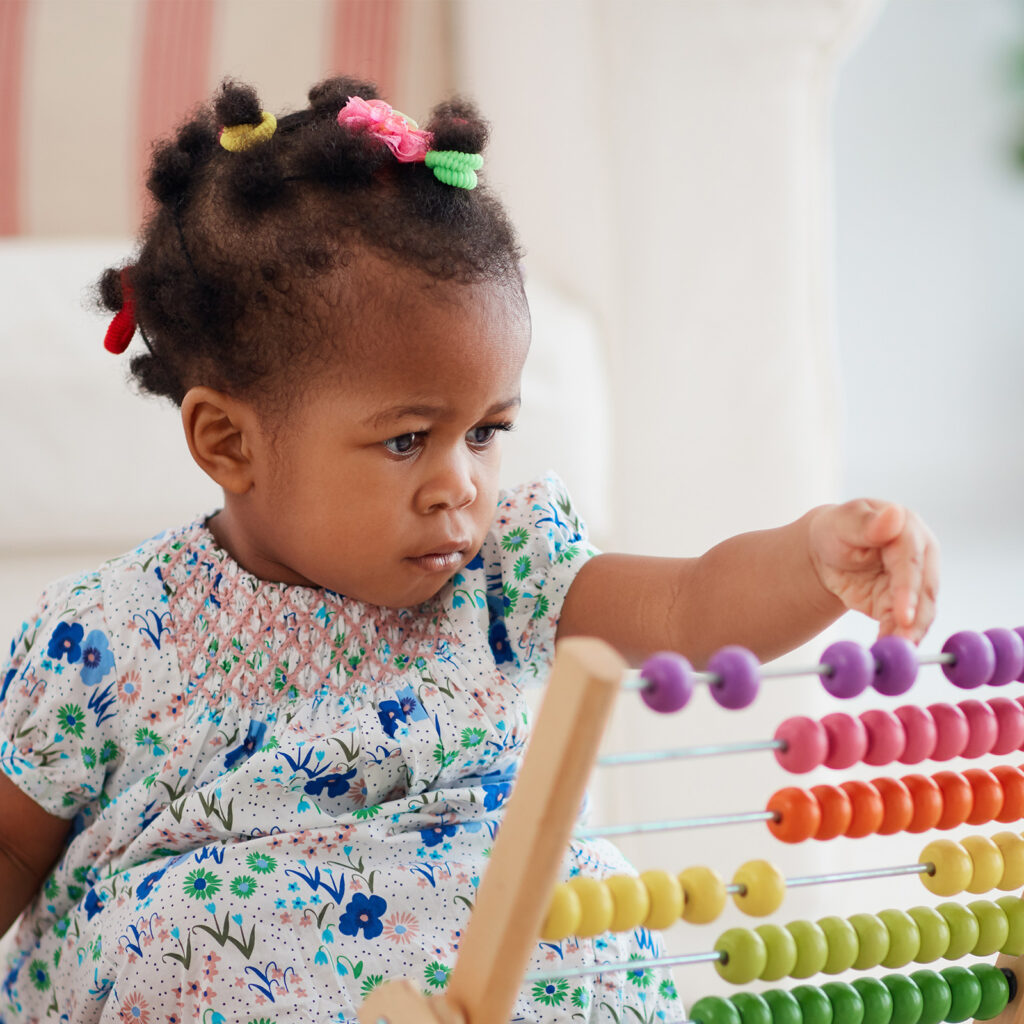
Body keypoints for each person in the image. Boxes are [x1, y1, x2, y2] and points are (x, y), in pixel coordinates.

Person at [0, 76, 938, 1024]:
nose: (461, 484)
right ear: (230, 443)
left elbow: (687, 607)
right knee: (182, 936)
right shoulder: (106, 635)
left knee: (585, 902)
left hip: (484, 971)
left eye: (487, 431)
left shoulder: (503, 574)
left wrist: (812, 560)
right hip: (228, 966)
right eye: (407, 440)